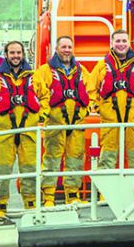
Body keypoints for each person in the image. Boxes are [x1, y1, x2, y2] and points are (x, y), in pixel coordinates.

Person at [0, 41, 49, 223]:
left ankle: (31, 204)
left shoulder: (33, 77)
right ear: (6, 55)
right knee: (2, 171)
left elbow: (46, 96)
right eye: (12, 53)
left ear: (23, 54)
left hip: (28, 132)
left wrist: (42, 116)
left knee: (30, 170)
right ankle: (0, 207)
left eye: (18, 52)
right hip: (4, 133)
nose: (16, 56)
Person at [89, 29, 134, 195]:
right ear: (112, 43)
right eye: (118, 41)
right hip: (110, 120)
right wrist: (97, 107)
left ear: (129, 43)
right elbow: (91, 89)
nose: (121, 44)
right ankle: (106, 192)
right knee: (108, 157)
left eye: (124, 41)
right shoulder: (101, 66)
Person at [35, 36, 92, 206]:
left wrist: (87, 110)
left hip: (76, 125)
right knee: (51, 160)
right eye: (63, 47)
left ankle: (72, 196)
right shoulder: (44, 71)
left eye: (69, 47)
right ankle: (49, 198)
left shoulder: (82, 71)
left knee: (75, 160)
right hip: (55, 124)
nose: (67, 50)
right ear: (57, 49)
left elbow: (92, 93)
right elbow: (37, 95)